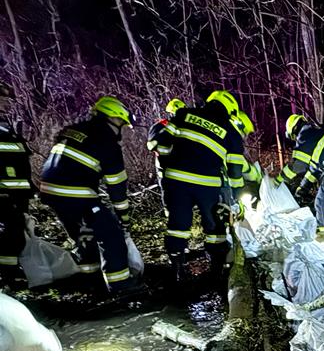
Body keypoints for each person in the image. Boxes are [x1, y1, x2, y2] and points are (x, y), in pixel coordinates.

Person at [39, 96, 136, 293]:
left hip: (50, 191)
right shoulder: (107, 141)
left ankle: (91, 280)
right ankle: (121, 286)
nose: (121, 129)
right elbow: (117, 186)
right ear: (114, 118)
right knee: (112, 236)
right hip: (75, 193)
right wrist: (123, 217)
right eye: (122, 123)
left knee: (84, 235)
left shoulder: (74, 130)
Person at [158, 89, 249, 280]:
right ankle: (217, 270)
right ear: (230, 110)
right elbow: (235, 173)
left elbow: (162, 143)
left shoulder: (184, 114)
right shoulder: (231, 132)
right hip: (207, 185)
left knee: (178, 225)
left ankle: (178, 270)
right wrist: (237, 199)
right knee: (214, 226)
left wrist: (167, 166)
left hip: (177, 181)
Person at [277, 114, 324, 233]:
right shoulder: (314, 135)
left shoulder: (305, 133)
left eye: (293, 137)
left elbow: (298, 166)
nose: (295, 139)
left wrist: (278, 180)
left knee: (322, 203)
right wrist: (302, 189)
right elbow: (314, 170)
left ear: (294, 130)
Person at [0, 82, 33, 288]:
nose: (7, 103)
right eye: (3, 99)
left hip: (16, 193)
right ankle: (8, 275)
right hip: (5, 193)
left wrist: (28, 189)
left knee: (15, 232)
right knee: (9, 233)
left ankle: (11, 271)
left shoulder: (6, 125)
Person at [147, 97, 186, 208]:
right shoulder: (160, 126)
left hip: (181, 165)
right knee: (168, 192)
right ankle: (169, 211)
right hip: (164, 165)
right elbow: (151, 145)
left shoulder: (185, 127)